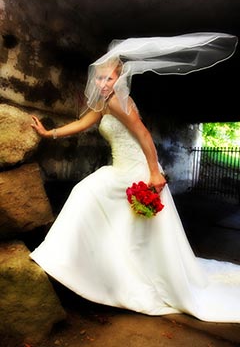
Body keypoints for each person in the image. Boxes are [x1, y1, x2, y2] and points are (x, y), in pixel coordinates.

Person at [30, 33, 240, 322]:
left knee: (86, 192)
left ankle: (69, 263)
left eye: (109, 78)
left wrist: (154, 172)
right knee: (112, 215)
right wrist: (48, 133)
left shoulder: (119, 101)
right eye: (100, 79)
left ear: (120, 78)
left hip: (136, 170)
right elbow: (82, 123)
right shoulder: (103, 103)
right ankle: (98, 273)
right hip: (122, 169)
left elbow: (143, 134)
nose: (103, 84)